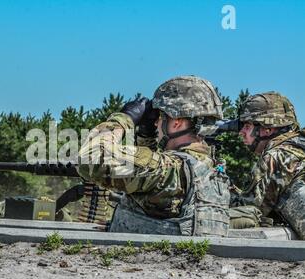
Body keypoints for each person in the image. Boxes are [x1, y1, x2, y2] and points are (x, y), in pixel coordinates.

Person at [76, 76, 231, 237]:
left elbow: (90, 159)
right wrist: (146, 135)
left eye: (160, 117)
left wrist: (123, 119)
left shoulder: (169, 170)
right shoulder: (212, 170)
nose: (156, 123)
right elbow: (149, 187)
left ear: (176, 122)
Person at [231, 92, 305, 239]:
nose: (241, 132)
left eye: (247, 126)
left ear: (267, 129)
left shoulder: (276, 157)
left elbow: (251, 210)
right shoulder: (298, 146)